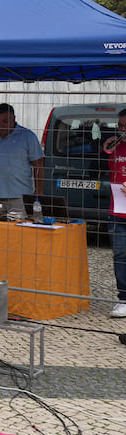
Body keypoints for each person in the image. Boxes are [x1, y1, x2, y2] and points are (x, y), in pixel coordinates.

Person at [0, 102, 44, 217]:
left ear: (14, 119)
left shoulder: (27, 136)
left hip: (21, 198)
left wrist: (38, 192)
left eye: (5, 121)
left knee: (20, 231)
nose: (1, 125)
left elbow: (39, 165)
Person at [102, 108, 126, 318]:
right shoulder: (114, 146)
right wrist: (105, 150)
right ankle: (124, 298)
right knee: (120, 255)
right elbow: (97, 166)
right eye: (120, 126)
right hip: (117, 210)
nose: (122, 130)